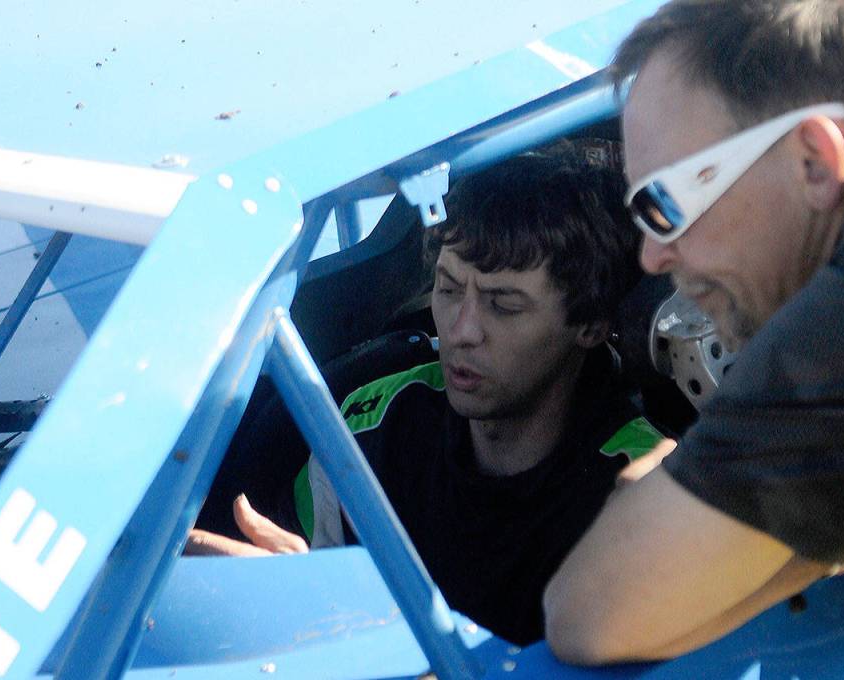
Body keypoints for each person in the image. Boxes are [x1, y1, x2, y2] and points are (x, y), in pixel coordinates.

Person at [544, 0, 844, 663]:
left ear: (812, 160)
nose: (652, 257)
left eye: (662, 204)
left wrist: (839, 538)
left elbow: (591, 615)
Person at [190, 152, 669, 645]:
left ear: (590, 325)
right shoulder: (366, 428)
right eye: (448, 287)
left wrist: (346, 621)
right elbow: (291, 588)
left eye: (503, 305)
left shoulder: (644, 490)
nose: (462, 331)